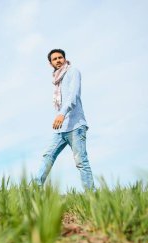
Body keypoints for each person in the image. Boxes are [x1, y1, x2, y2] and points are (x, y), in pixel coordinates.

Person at [35, 49, 95, 190]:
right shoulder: (57, 80)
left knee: (81, 161)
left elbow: (73, 96)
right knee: (48, 156)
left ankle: (91, 196)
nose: (58, 60)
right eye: (54, 59)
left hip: (76, 126)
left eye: (60, 57)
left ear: (64, 58)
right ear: (50, 63)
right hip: (61, 129)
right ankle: (34, 190)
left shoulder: (73, 71)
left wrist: (61, 114)